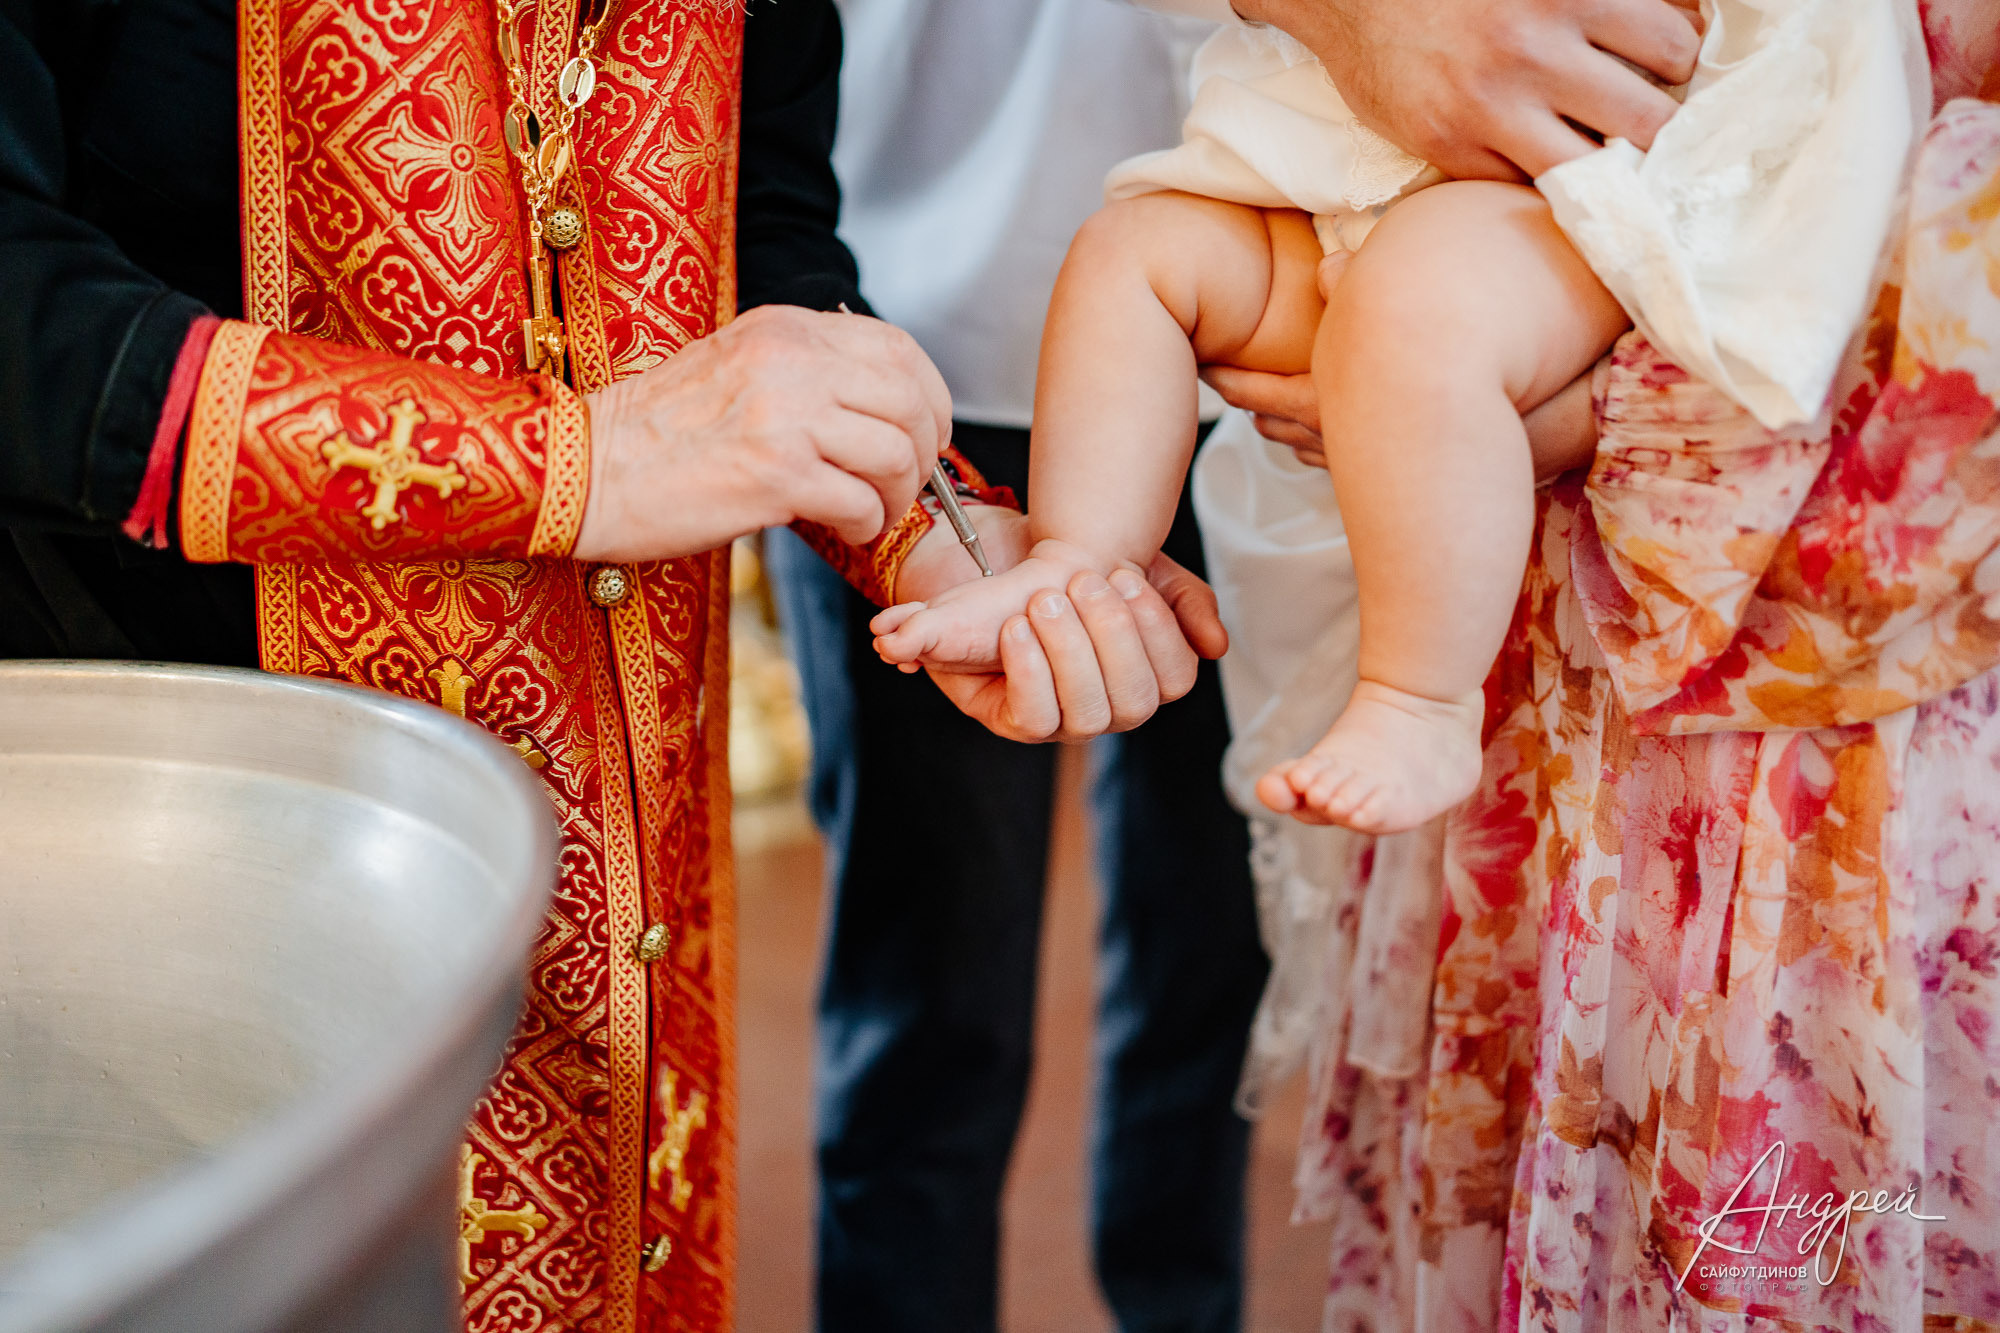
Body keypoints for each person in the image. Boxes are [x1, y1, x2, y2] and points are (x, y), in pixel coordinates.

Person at [0, 2, 1213, 1329]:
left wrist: (938, 540)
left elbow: (760, 223)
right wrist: (584, 464)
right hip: (203, 860)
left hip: (624, 846)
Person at [1092, 0, 2000, 1328]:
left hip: (1829, 659)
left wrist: (1576, 410)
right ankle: (1123, 580)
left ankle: (1414, 693)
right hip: (1521, 632)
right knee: (1141, 253)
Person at [763, 4, 1272, 1330]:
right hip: (902, 330)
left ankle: (1183, 1308)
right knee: (929, 984)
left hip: (1256, 360)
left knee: (1215, 949)